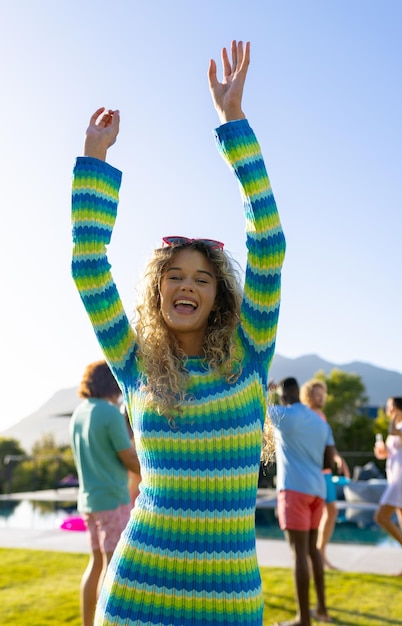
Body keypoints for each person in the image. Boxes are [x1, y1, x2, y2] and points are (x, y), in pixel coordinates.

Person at [71, 40, 286, 626]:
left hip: (230, 602)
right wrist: (95, 162)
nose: (187, 287)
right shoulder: (134, 363)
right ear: (158, 289)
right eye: (174, 276)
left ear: (220, 295)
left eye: (201, 278)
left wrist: (233, 123)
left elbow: (268, 243)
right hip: (139, 591)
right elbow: (89, 269)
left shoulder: (250, 353)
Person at [70, 360, 141, 626]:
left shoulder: (80, 413)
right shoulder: (109, 413)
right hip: (112, 499)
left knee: (96, 564)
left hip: (88, 501)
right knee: (112, 570)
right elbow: (129, 458)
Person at [269, 377, 334, 626]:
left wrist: (268, 391)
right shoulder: (319, 423)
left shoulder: (285, 415)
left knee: (298, 554)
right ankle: (322, 609)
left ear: (285, 396)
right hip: (317, 490)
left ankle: (303, 619)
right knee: (312, 550)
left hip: (294, 490)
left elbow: (254, 407)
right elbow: (328, 462)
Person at [300, 378, 350, 570]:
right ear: (308, 396)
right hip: (312, 473)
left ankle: (320, 552)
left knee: (331, 511)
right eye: (317, 394)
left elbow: (327, 443)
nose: (321, 398)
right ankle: (313, 555)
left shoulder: (321, 416)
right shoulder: (305, 415)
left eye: (323, 394)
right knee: (316, 513)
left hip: (325, 473)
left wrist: (338, 458)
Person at [374, 396, 402, 576]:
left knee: (381, 517)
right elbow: (393, 452)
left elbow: (394, 431)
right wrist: (383, 452)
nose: (386, 409)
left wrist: (395, 417)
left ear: (398, 408)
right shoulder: (401, 427)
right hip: (397, 475)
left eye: (389, 406)